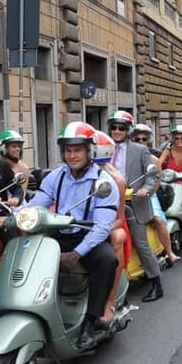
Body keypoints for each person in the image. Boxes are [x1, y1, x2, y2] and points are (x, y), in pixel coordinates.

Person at [27, 121, 120, 349]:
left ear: (90, 151)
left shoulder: (104, 183)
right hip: (59, 234)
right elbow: (37, 204)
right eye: (68, 150)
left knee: (107, 260)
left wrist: (77, 253)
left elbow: (102, 227)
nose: (72, 156)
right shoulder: (55, 177)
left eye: (78, 150)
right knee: (24, 250)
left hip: (87, 237)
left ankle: (90, 321)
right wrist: (17, 214)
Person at [107, 111, 164, 303]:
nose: (116, 131)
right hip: (108, 203)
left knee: (141, 243)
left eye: (121, 128)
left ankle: (156, 284)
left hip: (133, 202)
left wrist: (145, 190)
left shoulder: (139, 150)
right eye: (113, 127)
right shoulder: (103, 148)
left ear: (127, 130)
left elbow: (153, 174)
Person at [92, 129, 129, 326]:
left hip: (108, 226)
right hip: (81, 227)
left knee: (117, 237)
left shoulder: (116, 179)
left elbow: (119, 217)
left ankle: (110, 301)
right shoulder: (70, 174)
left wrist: (98, 230)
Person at [130, 124, 181, 265]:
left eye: (143, 139)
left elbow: (157, 180)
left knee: (157, 219)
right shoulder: (126, 157)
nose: (141, 142)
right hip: (127, 195)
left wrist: (148, 192)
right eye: (137, 139)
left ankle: (169, 252)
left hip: (147, 195)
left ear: (148, 141)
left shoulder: (153, 159)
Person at [0, 129, 30, 196]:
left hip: (16, 204)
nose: (18, 149)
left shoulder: (23, 169)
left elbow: (22, 194)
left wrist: (15, 202)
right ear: (3, 148)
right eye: (14, 146)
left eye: (19, 146)